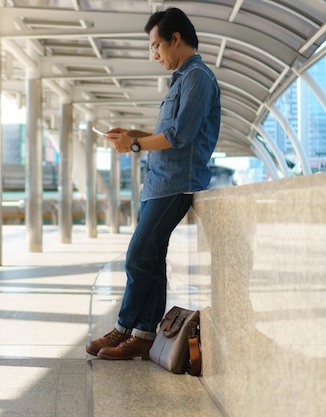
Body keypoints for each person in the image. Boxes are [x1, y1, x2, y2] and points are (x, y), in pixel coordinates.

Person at [86, 7, 221, 360]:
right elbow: (165, 134)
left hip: (177, 184)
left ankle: (127, 329)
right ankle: (140, 333)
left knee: (138, 255)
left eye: (156, 45)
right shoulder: (181, 79)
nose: (154, 54)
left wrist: (132, 145)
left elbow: (179, 135)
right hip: (159, 183)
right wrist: (134, 134)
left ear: (176, 38)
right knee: (150, 258)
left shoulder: (198, 78)